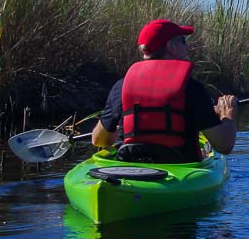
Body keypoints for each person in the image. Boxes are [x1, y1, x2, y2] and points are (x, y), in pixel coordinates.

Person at [91, 19, 238, 162]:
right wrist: (228, 113)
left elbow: (98, 140)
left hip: (130, 166)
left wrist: (115, 133)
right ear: (171, 47)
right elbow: (224, 146)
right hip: (180, 171)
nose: (186, 48)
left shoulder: (121, 87)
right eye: (183, 41)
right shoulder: (192, 88)